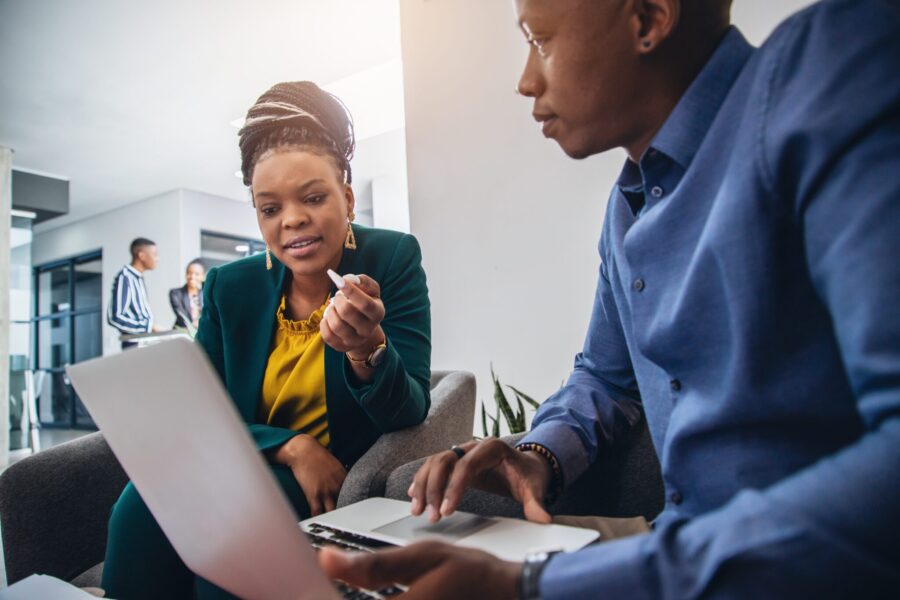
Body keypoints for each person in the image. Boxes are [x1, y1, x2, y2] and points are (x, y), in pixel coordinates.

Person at [320, 0, 900, 598]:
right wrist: (537, 455)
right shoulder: (626, 210)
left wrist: (534, 589)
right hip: (676, 547)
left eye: (539, 40)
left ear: (648, 19)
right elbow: (606, 378)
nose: (525, 80)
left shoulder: (826, 69)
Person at [101, 81, 432, 599]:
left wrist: (367, 349)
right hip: (257, 460)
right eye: (269, 207)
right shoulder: (229, 286)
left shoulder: (391, 259)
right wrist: (291, 447)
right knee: (139, 502)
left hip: (330, 478)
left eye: (314, 197)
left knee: (230, 525)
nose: (292, 220)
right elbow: (201, 408)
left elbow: (410, 410)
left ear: (346, 196)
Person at [107, 237, 159, 350]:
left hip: (145, 343)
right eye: (155, 254)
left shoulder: (138, 278)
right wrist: (149, 327)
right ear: (142, 256)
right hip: (134, 345)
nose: (157, 258)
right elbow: (115, 317)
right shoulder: (125, 277)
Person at [169, 258, 205, 331]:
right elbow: (181, 315)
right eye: (189, 273)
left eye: (197, 274)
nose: (192, 277)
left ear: (202, 277)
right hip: (182, 332)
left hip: (202, 333)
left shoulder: (205, 294)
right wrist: (194, 324)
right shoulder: (175, 293)